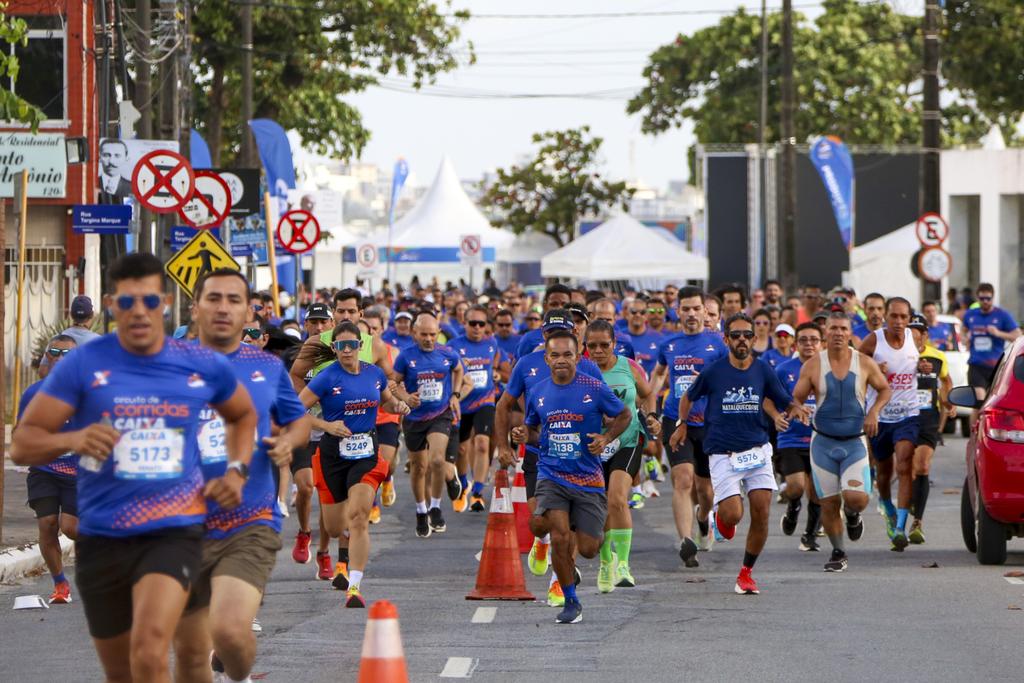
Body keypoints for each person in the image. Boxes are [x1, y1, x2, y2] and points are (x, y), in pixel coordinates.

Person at [11, 252, 257, 683]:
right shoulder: (83, 365)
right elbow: (23, 445)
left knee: (150, 649)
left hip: (173, 530)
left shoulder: (197, 362)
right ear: (111, 305)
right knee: (122, 670)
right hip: (104, 536)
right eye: (127, 302)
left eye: (149, 301)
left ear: (165, 302)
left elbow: (242, 415)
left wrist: (236, 471)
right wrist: (71, 440)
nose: (139, 311)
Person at [174, 269, 311, 683]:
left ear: (249, 312)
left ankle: (238, 675)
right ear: (195, 308)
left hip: (248, 521)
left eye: (234, 300)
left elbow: (299, 421)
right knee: (191, 655)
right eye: (213, 298)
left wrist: (288, 441)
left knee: (230, 633)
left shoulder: (266, 368)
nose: (223, 308)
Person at [669, 313, 808, 595]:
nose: (742, 340)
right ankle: (721, 518)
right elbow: (688, 397)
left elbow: (783, 398)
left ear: (754, 339)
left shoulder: (763, 370)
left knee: (762, 511)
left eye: (747, 335)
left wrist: (796, 408)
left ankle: (746, 573)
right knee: (733, 514)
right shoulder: (714, 371)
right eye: (736, 335)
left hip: (757, 450)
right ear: (726, 339)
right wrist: (682, 424)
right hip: (723, 452)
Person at [495, 309, 604, 607]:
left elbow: (606, 408)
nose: (555, 338)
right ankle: (541, 541)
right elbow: (504, 405)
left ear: (574, 335)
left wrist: (605, 439)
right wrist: (503, 445)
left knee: (566, 529)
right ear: (543, 335)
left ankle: (559, 580)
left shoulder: (588, 368)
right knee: (540, 522)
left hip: (579, 462)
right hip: (538, 455)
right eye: (550, 333)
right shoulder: (527, 364)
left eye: (562, 332)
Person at [519, 330, 630, 624]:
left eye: (567, 355)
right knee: (559, 536)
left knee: (590, 548)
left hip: (588, 477)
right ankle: (570, 600)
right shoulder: (538, 391)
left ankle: (583, 537)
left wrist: (606, 438)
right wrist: (522, 434)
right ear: (546, 359)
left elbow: (624, 415)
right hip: (552, 473)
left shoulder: (594, 387)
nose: (561, 360)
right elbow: (532, 429)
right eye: (555, 355)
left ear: (578, 357)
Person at [299, 322, 409, 607]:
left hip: (366, 451)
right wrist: (326, 425)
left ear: (361, 346)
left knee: (359, 516)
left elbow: (386, 403)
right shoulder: (326, 377)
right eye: (340, 346)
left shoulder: (374, 374)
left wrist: (399, 406)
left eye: (351, 345)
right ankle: (343, 511)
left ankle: (355, 586)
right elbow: (296, 410)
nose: (346, 350)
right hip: (333, 454)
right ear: (334, 348)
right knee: (336, 527)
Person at [792, 310, 891, 571]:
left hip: (854, 442)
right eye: (833, 328)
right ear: (826, 332)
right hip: (823, 443)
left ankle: (852, 515)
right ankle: (838, 552)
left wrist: (874, 412)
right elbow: (797, 397)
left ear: (850, 333)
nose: (838, 333)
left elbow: (884, 389)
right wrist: (798, 408)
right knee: (829, 502)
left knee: (856, 499)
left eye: (843, 329)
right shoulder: (813, 364)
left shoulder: (864, 363)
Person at [650, 287, 728, 567]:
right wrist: (651, 403)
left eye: (697, 309)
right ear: (678, 311)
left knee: (705, 491)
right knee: (682, 480)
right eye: (686, 309)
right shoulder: (669, 345)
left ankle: (703, 519)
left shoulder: (718, 345)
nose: (692, 314)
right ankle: (686, 541)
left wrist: (707, 381)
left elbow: (730, 379)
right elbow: (659, 374)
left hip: (708, 423)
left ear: (705, 312)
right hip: (675, 419)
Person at [584, 320, 658, 592]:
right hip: (594, 445)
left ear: (614, 344)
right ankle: (606, 561)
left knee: (616, 497)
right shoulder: (581, 370)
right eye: (592, 346)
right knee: (600, 504)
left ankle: (624, 564)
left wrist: (652, 417)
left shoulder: (629, 367)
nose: (598, 351)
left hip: (627, 440)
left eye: (604, 345)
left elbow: (648, 394)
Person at [15, 334, 79, 604]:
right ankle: (60, 584)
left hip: (80, 472)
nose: (61, 358)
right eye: (55, 352)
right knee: (47, 523)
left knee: (71, 528)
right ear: (48, 356)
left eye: (68, 354)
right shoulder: (34, 393)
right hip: (44, 470)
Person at [392, 312, 466, 537]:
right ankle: (421, 511)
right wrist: (406, 398)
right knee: (418, 467)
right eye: (423, 334)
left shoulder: (447, 353)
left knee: (436, 460)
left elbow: (459, 369)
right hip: (414, 418)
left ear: (438, 333)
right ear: (414, 333)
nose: (428, 339)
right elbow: (392, 384)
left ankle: (435, 507)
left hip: (440, 414)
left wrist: (455, 394)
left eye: (432, 335)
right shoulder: (405, 357)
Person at [859, 297, 920, 551]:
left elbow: (926, 362)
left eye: (903, 317)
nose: (898, 321)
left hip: (908, 414)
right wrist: (873, 367)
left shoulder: (915, 338)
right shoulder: (874, 340)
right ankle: (886, 504)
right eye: (894, 316)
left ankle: (900, 528)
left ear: (909, 319)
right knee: (884, 473)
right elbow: (855, 366)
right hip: (880, 417)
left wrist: (925, 366)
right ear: (886, 316)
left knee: (905, 464)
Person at [774, 322, 824, 551]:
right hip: (791, 439)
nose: (809, 344)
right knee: (796, 487)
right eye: (803, 340)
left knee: (817, 490)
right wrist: (779, 415)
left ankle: (809, 536)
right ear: (796, 344)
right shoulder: (783, 370)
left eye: (814, 340)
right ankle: (793, 507)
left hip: (822, 439)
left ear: (822, 343)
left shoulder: (830, 369)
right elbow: (769, 400)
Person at [449, 305, 502, 512]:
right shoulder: (454, 346)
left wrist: (495, 373)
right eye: (473, 323)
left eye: (482, 323)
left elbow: (496, 363)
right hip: (461, 403)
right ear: (465, 323)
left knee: (482, 444)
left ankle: (478, 493)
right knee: (461, 449)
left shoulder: (491, 344)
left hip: (485, 401)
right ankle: (464, 485)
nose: (477, 327)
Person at [908, 313, 955, 544]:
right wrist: (913, 367)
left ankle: (918, 521)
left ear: (924, 336)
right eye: (908, 334)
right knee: (908, 469)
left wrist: (948, 402)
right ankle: (909, 499)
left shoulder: (937, 356)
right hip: (904, 417)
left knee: (923, 466)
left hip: (929, 418)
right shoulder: (900, 355)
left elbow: (946, 380)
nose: (912, 338)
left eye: (916, 334)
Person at [963, 283, 1020, 399]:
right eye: (982, 298)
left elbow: (1017, 335)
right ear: (978, 298)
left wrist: (998, 333)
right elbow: (963, 329)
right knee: (979, 400)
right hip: (976, 365)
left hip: (996, 366)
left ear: (993, 298)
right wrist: (965, 338)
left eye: (988, 298)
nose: (985, 301)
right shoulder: (970, 314)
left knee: (991, 401)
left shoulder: (1002, 315)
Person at [516, 284, 573, 357]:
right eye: (554, 304)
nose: (559, 307)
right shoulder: (529, 339)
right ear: (545, 306)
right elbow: (520, 363)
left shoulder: (578, 336)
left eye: (564, 304)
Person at [623, 297, 663, 376]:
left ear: (647, 315)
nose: (638, 315)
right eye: (633, 312)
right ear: (626, 314)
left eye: (642, 312)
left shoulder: (659, 339)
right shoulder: (618, 338)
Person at [98, 139, 132, 204]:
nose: (111, 161)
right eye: (106, 155)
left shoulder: (132, 188)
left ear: (126, 159)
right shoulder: (90, 184)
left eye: (117, 156)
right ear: (99, 158)